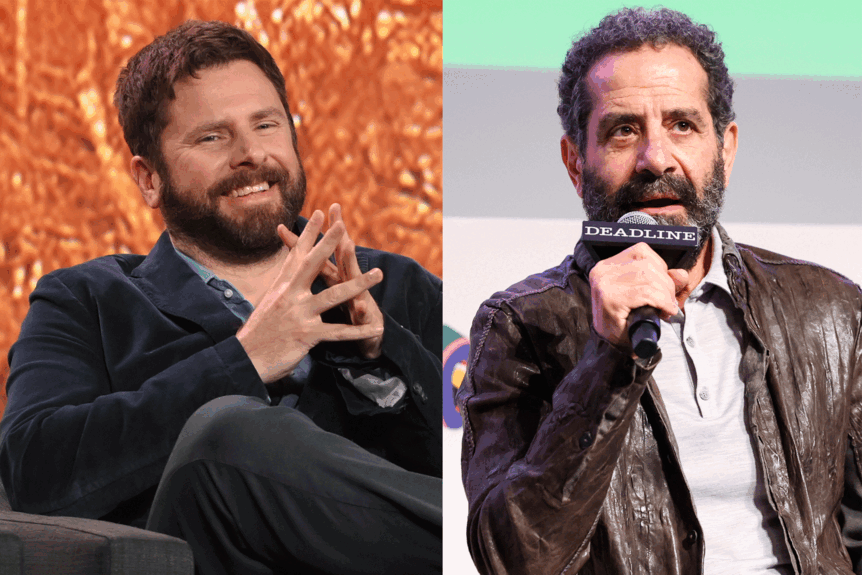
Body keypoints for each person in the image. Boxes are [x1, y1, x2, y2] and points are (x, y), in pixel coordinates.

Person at [0, 20, 442, 575]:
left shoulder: (394, 286)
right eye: (212, 137)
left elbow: (495, 457)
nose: (251, 154)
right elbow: (33, 471)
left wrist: (386, 356)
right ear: (149, 178)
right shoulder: (86, 300)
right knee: (224, 434)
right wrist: (245, 360)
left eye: (267, 125)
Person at [458, 7, 862, 574]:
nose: (655, 159)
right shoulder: (519, 325)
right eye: (623, 131)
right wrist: (608, 361)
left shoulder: (831, 309)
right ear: (576, 163)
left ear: (725, 149)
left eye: (682, 126)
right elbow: (512, 557)